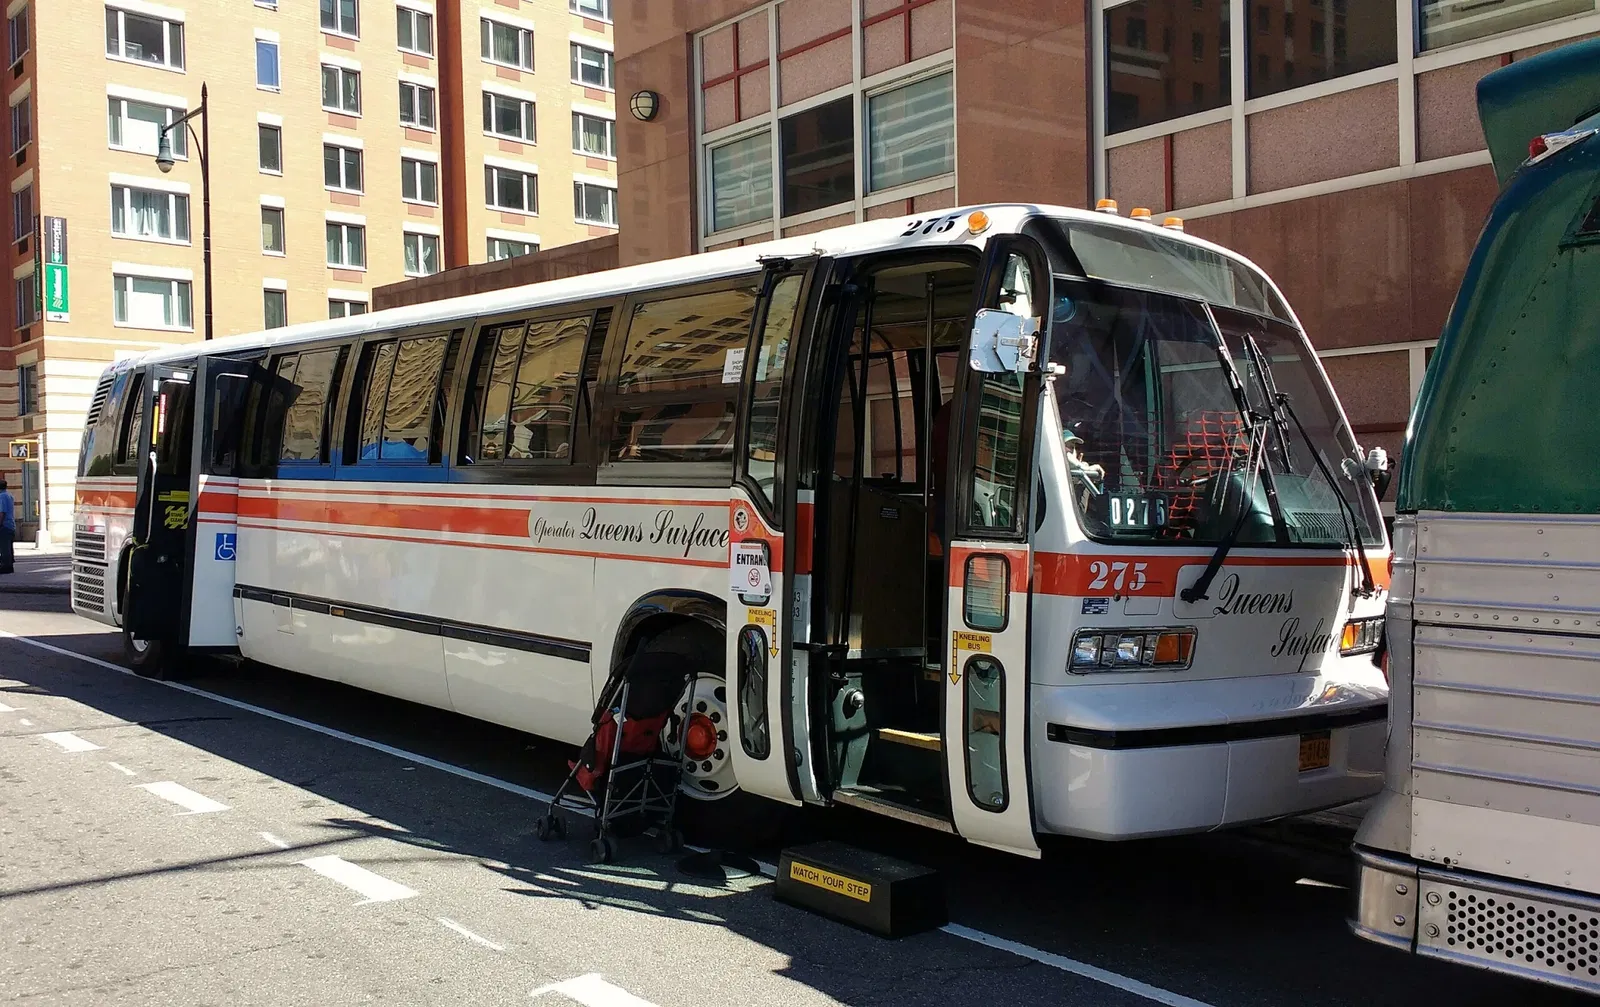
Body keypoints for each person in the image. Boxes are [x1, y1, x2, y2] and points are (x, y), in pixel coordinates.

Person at [0, 477, 15, 575]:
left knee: (4, 547)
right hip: (11, 524)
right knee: (8, 546)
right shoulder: (9, 495)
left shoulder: (1, 496)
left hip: (4, 525)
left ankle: (6, 566)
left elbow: (2, 512)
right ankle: (9, 565)